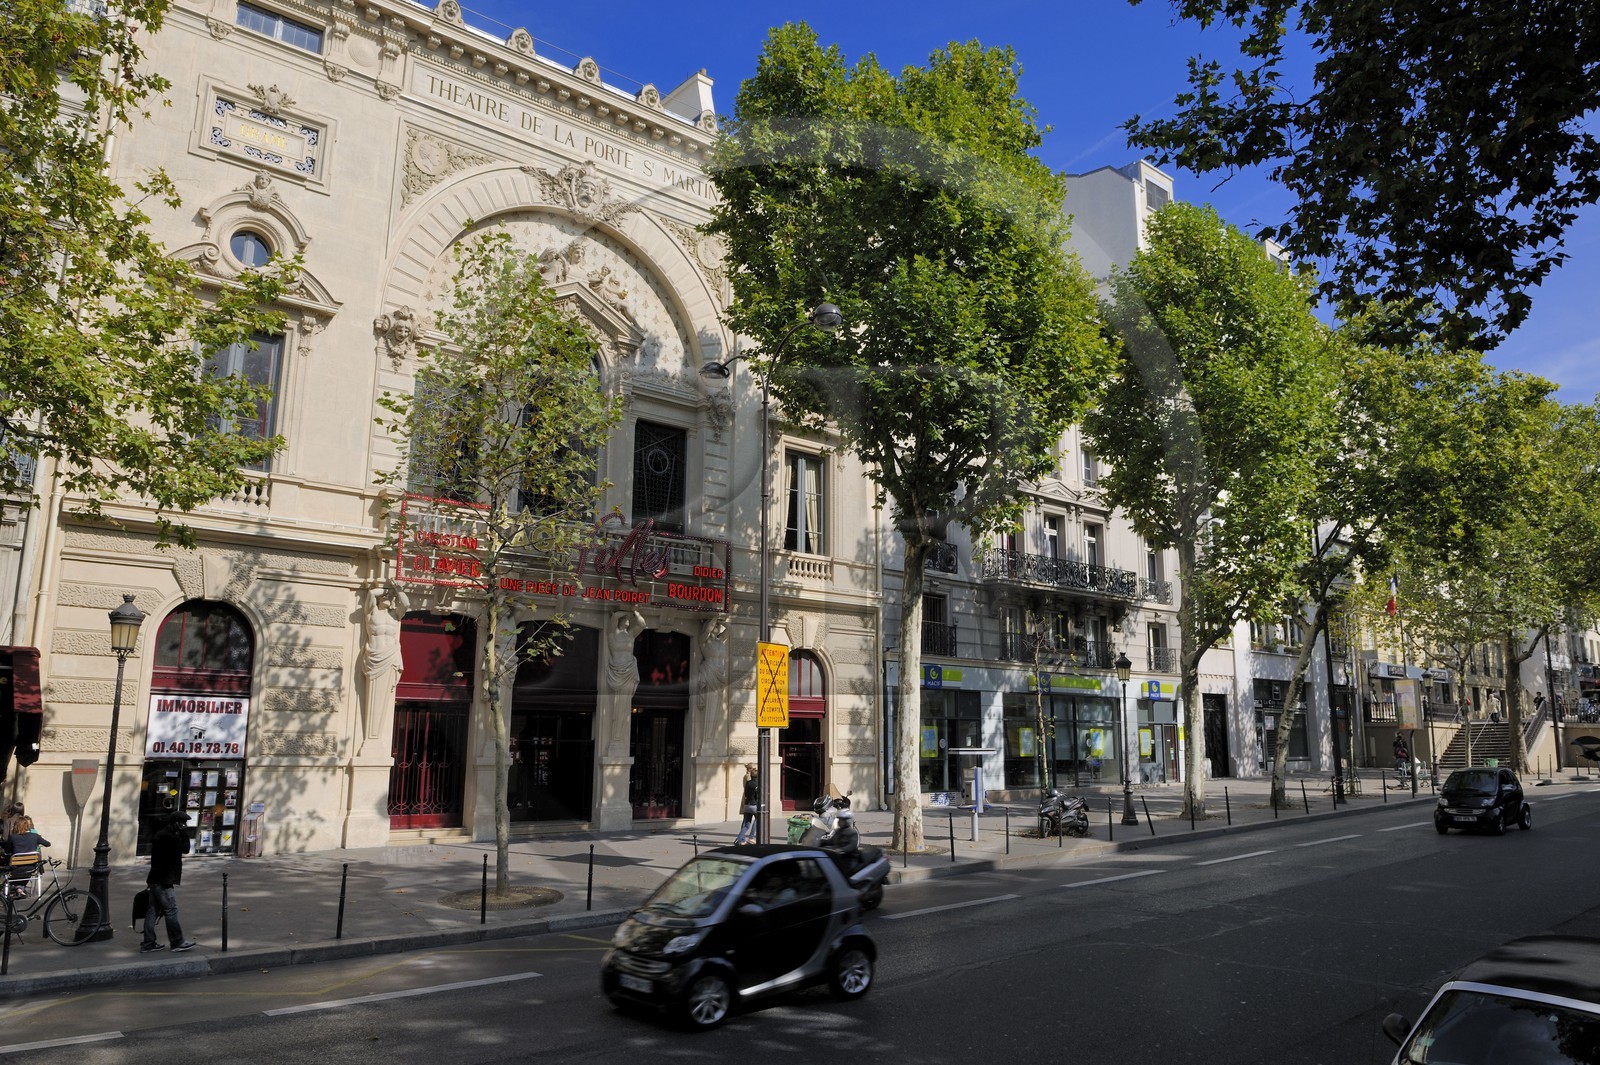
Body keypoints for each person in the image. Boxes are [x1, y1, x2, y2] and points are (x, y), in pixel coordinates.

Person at [141, 810, 195, 953]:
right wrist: (184, 835)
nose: (184, 826)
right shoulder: (168, 837)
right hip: (163, 881)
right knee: (171, 910)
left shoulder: (163, 834)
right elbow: (186, 849)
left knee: (152, 911)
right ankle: (177, 941)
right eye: (182, 823)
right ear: (175, 823)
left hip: (155, 879)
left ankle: (148, 943)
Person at [4, 816, 48, 896]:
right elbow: (48, 844)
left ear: (16, 826)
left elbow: (7, 851)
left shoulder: (13, 837)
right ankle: (19, 889)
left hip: (16, 867)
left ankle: (17, 888)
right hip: (31, 867)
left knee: (7, 868)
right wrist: (36, 842)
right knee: (25, 872)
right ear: (28, 825)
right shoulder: (34, 836)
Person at [733, 764, 759, 845]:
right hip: (753, 804)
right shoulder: (752, 781)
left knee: (746, 823)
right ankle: (751, 837)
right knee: (758, 820)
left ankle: (739, 839)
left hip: (747, 803)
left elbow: (747, 788)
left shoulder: (748, 782)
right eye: (751, 768)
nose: (752, 769)